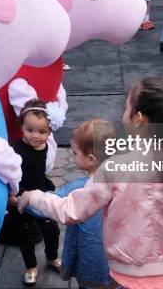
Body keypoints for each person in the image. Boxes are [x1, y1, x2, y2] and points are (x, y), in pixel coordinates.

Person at [19, 77, 163, 289]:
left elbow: (72, 210)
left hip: (127, 277)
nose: (123, 114)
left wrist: (35, 197)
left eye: (126, 108)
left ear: (139, 119)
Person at [55, 119, 116, 289]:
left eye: (75, 152)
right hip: (119, 265)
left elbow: (52, 201)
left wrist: (25, 198)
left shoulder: (78, 188)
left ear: (90, 159)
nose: (72, 155)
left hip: (91, 264)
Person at [9, 99, 61, 286]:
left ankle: (52, 257)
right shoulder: (14, 150)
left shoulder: (45, 147)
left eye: (42, 132)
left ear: (49, 132)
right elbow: (10, 176)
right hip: (21, 198)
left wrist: (47, 185)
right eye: (29, 130)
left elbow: (38, 171)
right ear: (21, 126)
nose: (35, 136)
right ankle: (31, 266)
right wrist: (14, 196)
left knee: (52, 230)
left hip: (41, 195)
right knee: (25, 236)